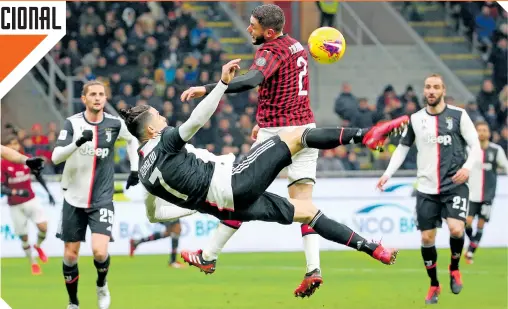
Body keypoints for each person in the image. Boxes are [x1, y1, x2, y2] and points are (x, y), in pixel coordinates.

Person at [120, 60, 408, 286]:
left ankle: (372, 248)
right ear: (151, 130)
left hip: (227, 208)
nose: (164, 118)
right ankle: (366, 135)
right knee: (297, 135)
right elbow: (196, 120)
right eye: (159, 116)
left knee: (307, 212)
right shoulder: (166, 140)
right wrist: (221, 84)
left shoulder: (145, 173)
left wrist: (193, 206)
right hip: (232, 183)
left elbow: (154, 214)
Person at [180, 4, 356, 297]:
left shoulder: (270, 51)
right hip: (304, 128)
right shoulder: (296, 45)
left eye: (253, 26)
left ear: (270, 32)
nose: (249, 29)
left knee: (239, 194)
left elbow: (252, 80)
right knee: (304, 205)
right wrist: (261, 122)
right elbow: (283, 86)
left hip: (279, 134)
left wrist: (211, 88)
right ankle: (314, 269)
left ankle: (209, 256)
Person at [376, 74, 482, 305]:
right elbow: (403, 149)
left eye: (436, 87)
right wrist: (387, 174)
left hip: (454, 184)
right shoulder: (415, 119)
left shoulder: (458, 115)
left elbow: (475, 145)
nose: (431, 91)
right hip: (426, 188)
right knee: (427, 237)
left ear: (443, 90)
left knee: (456, 229)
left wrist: (467, 167)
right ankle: (434, 284)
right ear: (424, 91)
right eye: (427, 87)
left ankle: (454, 268)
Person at [51, 80, 140, 309]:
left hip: (101, 199)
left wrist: (134, 169)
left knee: (100, 252)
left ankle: (101, 285)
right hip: (73, 198)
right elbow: (56, 157)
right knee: (71, 256)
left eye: (101, 94)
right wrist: (77, 143)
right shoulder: (72, 124)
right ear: (84, 99)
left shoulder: (114, 124)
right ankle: (73, 302)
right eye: (93, 94)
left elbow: (132, 140)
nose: (98, 98)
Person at [1, 135, 55, 275]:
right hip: (15, 205)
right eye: (10, 145)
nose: (14, 147)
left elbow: (38, 176)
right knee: (24, 237)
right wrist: (16, 191)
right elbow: (1, 187)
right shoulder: (3, 165)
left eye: (15, 144)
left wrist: (49, 193)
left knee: (43, 226)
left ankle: (37, 246)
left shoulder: (25, 159)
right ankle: (33, 262)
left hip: (31, 199)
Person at [465, 121, 508, 264]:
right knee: (467, 222)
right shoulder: (469, 150)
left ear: (489, 133)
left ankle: (470, 252)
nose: (482, 133)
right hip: (471, 195)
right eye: (479, 130)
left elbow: (505, 167)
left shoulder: (496, 150)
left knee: (481, 224)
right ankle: (472, 243)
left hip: (487, 195)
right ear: (475, 132)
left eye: (484, 130)